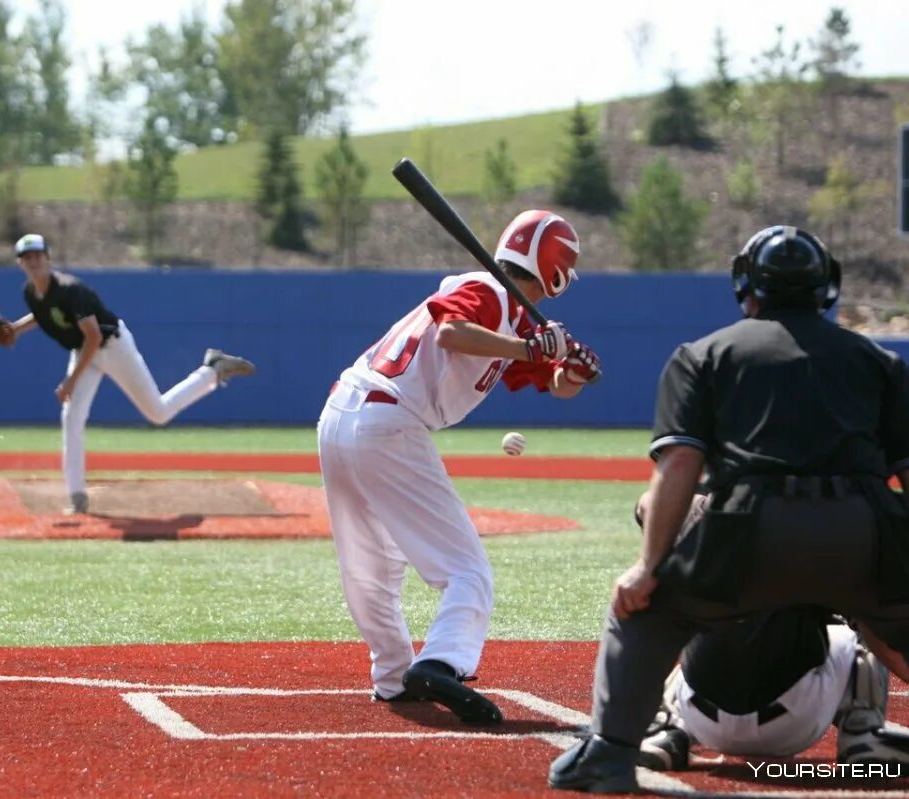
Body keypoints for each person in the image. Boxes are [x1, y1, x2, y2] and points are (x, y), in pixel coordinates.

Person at [549, 225, 909, 793]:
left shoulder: (702, 355)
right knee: (885, 616)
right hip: (861, 527)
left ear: (747, 285)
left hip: (747, 529)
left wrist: (648, 569)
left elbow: (679, 468)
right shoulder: (881, 362)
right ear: (827, 287)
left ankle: (610, 753)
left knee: (643, 609)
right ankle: (863, 730)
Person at [317, 210, 601, 723]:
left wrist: (572, 369)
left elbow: (558, 384)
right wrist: (528, 346)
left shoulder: (513, 315)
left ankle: (393, 676)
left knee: (373, 565)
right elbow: (453, 332)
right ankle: (442, 662)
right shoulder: (489, 292)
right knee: (468, 571)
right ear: (554, 267)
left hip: (343, 415)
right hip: (389, 422)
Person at [630, 492, 909, 771]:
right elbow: (881, 631)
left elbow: (648, 502)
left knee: (686, 624)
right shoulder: (832, 524)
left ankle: (668, 727)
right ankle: (863, 731)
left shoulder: (703, 507)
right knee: (859, 621)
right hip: (796, 720)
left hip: (701, 717)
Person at [0, 233, 255, 514]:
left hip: (112, 347)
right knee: (72, 417)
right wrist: (15, 328)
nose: (34, 261)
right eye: (27, 257)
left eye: (38, 255)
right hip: (84, 351)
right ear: (20, 264)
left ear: (48, 258)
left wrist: (71, 381)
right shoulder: (30, 293)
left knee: (157, 413)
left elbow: (93, 336)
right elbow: (44, 314)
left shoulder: (71, 289)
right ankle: (77, 497)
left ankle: (212, 370)